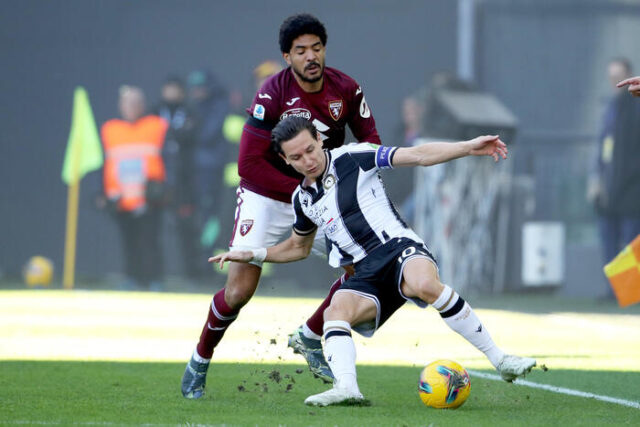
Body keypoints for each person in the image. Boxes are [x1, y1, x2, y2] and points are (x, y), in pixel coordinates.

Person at [211, 116, 537, 406]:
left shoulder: (355, 156)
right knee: (336, 311)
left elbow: (418, 156)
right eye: (295, 157)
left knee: (423, 284)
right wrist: (253, 253)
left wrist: (468, 147)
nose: (307, 160)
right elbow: (298, 246)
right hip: (364, 272)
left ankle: (500, 358)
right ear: (284, 159)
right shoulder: (303, 199)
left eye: (310, 149)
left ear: (320, 140)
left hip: (398, 248)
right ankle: (347, 389)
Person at [181, 13, 381, 399]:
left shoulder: (347, 89)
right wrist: (302, 190)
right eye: (301, 50)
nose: (311, 57)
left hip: (318, 193)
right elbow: (248, 165)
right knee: (239, 290)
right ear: (287, 57)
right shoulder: (271, 94)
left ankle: (309, 335)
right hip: (267, 195)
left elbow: (369, 141)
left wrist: (353, 187)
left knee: (367, 267)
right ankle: (199, 360)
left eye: (317, 48)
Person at [100, 86, 168, 291]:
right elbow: (105, 163)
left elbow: (170, 158)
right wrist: (104, 194)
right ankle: (131, 278)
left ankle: (154, 280)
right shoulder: (110, 129)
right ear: (120, 106)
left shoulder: (157, 126)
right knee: (127, 242)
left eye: (135, 103)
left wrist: (163, 187)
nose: (131, 107)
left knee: (150, 241)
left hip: (149, 196)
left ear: (143, 105)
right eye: (127, 103)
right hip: (121, 198)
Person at [587, 58, 640, 298]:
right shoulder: (611, 108)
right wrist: (596, 180)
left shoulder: (636, 106)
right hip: (609, 189)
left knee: (630, 244)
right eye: (611, 77)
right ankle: (614, 292)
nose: (615, 82)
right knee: (609, 241)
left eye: (619, 75)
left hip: (632, 188)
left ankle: (628, 292)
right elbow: (602, 147)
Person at [152, 77, 202, 280]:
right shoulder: (154, 112)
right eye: (168, 89)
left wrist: (173, 134)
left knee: (186, 229)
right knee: (154, 229)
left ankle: (191, 274)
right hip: (157, 180)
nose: (171, 93)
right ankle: (155, 275)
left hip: (184, 182)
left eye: (175, 89)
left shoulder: (190, 111)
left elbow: (191, 135)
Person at [187, 69, 230, 252]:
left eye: (200, 87)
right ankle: (206, 255)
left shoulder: (219, 107)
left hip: (215, 172)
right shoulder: (195, 107)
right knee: (202, 214)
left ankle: (210, 253)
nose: (196, 92)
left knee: (214, 214)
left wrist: (191, 131)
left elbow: (207, 135)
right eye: (194, 88)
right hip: (199, 170)